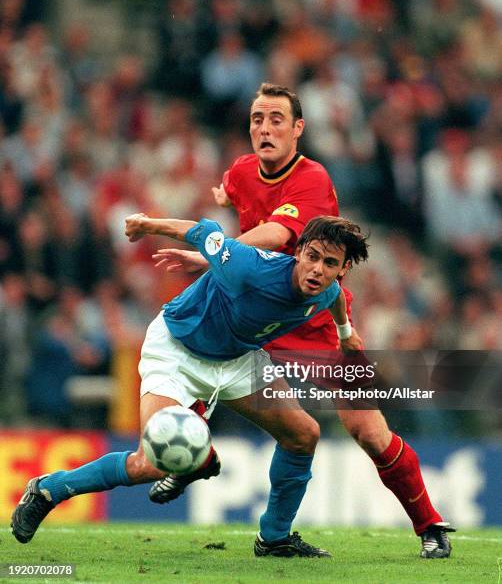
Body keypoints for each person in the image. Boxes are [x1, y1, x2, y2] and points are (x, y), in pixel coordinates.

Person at [149, 82, 455, 559]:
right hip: (256, 316)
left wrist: (214, 255)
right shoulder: (241, 171)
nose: (265, 128)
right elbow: (232, 192)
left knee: (371, 433)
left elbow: (274, 232)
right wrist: (222, 196)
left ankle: (429, 525)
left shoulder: (312, 179)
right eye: (257, 119)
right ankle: (195, 464)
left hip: (316, 322)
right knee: (202, 366)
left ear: (298, 129)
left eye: (276, 119)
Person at [11, 213, 367, 558]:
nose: (318, 269)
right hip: (177, 350)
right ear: (299, 251)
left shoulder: (327, 289)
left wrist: (345, 334)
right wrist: (146, 224)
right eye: (312, 257)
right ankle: (47, 490)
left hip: (236, 359)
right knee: (148, 464)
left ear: (342, 269)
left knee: (304, 434)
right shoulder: (251, 266)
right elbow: (201, 232)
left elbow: (334, 299)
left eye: (330, 263)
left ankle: (274, 538)